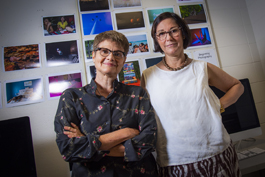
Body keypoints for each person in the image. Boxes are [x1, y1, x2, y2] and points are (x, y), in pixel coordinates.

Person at [141, 12, 244, 177]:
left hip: (217, 154)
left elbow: (237, 86)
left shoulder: (201, 67)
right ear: (157, 39)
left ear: (182, 32)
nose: (168, 37)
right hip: (175, 162)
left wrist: (219, 106)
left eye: (173, 30)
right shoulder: (148, 76)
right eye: (161, 33)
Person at [54, 30, 158, 177]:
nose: (110, 57)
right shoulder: (71, 97)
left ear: (124, 60)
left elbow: (148, 142)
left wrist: (88, 143)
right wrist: (125, 133)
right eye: (104, 51)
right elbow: (68, 150)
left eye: (117, 53)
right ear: (93, 55)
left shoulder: (138, 94)